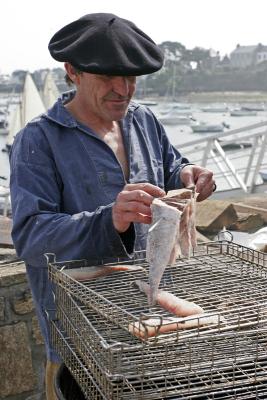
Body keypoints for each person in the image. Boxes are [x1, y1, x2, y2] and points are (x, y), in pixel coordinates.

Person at [9, 13, 216, 400]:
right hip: (84, 344)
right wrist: (109, 220)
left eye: (132, 78)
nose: (123, 89)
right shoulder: (37, 140)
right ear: (72, 71)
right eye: (107, 77)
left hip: (155, 327)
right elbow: (30, 237)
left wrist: (189, 174)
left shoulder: (144, 121)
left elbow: (171, 166)